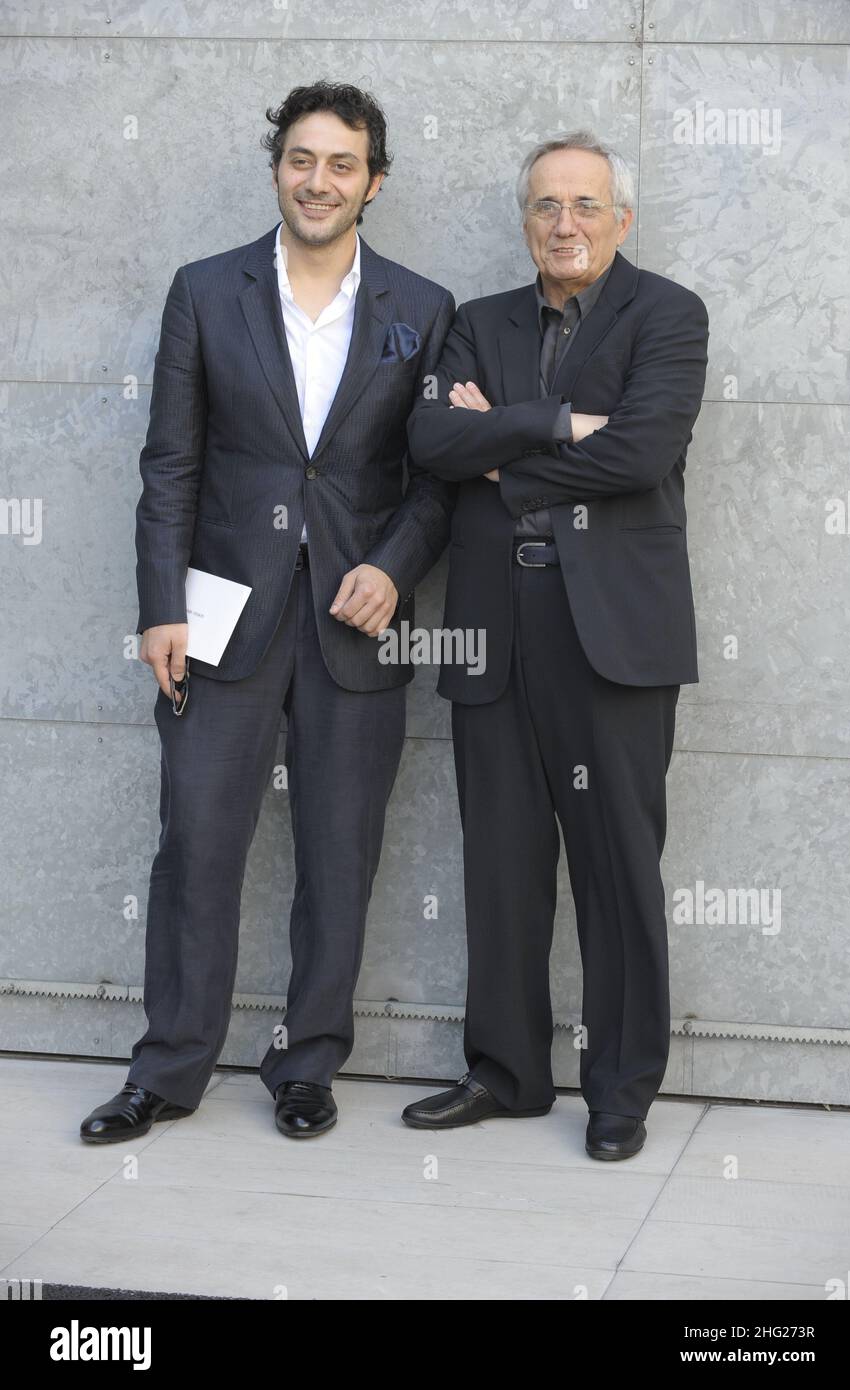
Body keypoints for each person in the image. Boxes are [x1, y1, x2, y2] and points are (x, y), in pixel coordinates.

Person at [80, 81, 455, 1144]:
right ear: (276, 166)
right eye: (301, 158)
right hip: (219, 617)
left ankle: (306, 1062)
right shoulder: (205, 290)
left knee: (340, 851)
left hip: (354, 618)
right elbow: (171, 463)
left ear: (373, 181)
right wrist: (160, 608)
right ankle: (168, 1068)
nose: (318, 179)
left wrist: (393, 564)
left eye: (342, 163)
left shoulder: (423, 310)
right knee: (196, 840)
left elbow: (435, 479)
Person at [402, 131, 709, 1160]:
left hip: (612, 634)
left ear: (619, 218)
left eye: (584, 204)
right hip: (494, 625)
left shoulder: (667, 313)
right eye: (545, 205)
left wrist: (512, 454)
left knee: (617, 869)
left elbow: (644, 449)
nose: (564, 224)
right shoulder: (476, 322)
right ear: (524, 219)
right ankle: (505, 1071)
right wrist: (559, 422)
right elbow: (434, 439)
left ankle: (619, 1089)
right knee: (500, 862)